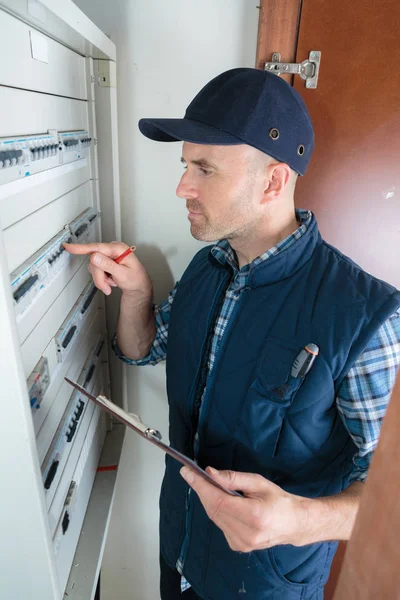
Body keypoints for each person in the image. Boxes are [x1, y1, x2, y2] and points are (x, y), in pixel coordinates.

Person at [65, 68, 400, 600]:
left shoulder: (368, 316)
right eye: (184, 166)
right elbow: (141, 351)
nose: (182, 188)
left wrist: (298, 522)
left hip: (266, 585)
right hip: (177, 556)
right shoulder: (207, 267)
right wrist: (136, 294)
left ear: (272, 180)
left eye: (204, 169)